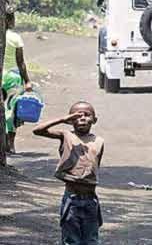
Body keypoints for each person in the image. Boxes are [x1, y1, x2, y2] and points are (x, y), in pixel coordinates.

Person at [33, 101, 105, 244]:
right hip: (72, 199)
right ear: (71, 120)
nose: (82, 118)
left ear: (94, 120)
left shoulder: (99, 141)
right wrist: (63, 119)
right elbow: (38, 130)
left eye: (86, 115)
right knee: (71, 240)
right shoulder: (65, 136)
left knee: (91, 240)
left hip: (91, 200)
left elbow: (94, 166)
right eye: (77, 115)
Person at [3, 8, 33, 154]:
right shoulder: (14, 37)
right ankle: (10, 145)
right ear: (8, 20)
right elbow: (20, 62)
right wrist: (27, 81)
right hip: (11, 77)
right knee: (11, 110)